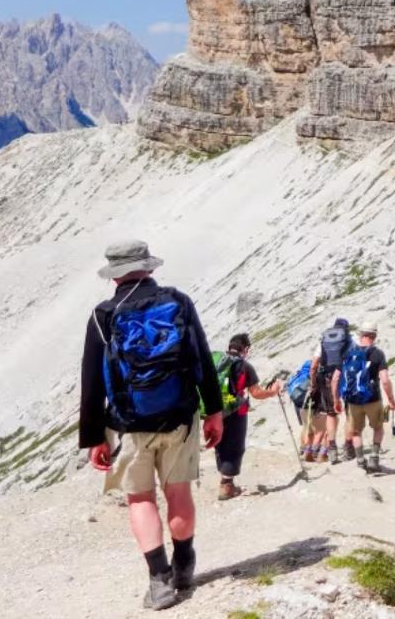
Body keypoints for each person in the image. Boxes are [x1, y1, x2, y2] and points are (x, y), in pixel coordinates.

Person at [80, 240, 224, 611]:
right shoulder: (178, 301)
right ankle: (184, 565)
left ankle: (160, 581)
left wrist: (94, 437)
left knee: (141, 499)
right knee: (179, 493)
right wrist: (214, 411)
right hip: (179, 418)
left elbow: (92, 381)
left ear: (114, 276)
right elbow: (201, 358)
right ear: (148, 267)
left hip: (129, 424)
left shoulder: (103, 314)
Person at [213, 333, 285, 500]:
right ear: (245, 349)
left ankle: (223, 476)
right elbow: (256, 393)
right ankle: (226, 486)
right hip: (237, 411)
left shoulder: (215, 361)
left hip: (214, 411)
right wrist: (273, 392)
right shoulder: (245, 366)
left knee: (220, 443)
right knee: (235, 444)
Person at [339, 321, 395, 473]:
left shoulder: (349, 353)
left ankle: (360, 461)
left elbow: (337, 377)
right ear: (374, 336)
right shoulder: (378, 353)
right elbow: (385, 380)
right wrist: (391, 399)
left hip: (353, 401)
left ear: (360, 334)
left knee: (356, 431)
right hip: (373, 399)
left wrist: (337, 398)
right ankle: (374, 458)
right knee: (378, 428)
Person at [307, 318, 350, 463]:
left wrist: (313, 384)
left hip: (327, 380)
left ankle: (332, 449)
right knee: (349, 415)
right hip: (347, 380)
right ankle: (349, 448)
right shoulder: (349, 340)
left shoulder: (324, 341)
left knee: (331, 414)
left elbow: (313, 366)